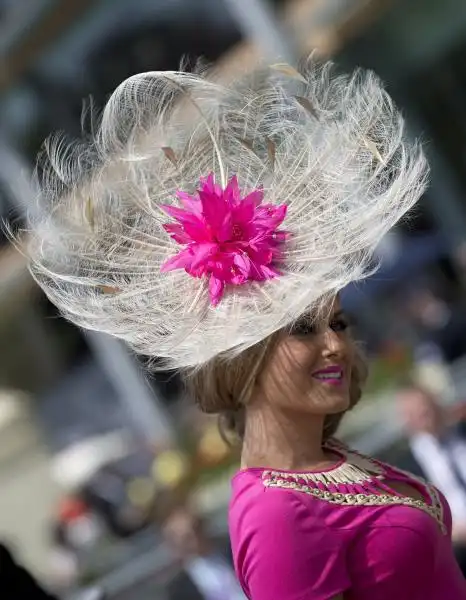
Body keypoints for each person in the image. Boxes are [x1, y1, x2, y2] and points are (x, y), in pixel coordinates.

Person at [25, 55, 466, 599]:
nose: (336, 344)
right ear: (246, 359)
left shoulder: (331, 462)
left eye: (339, 322)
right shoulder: (275, 512)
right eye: (305, 331)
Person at [397, 384, 466, 576]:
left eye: (426, 408)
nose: (425, 415)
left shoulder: (462, 433)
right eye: (415, 413)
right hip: (456, 546)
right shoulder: (405, 469)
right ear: (406, 420)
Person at [163, 508, 245, 600]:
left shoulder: (235, 551)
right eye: (187, 537)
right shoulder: (180, 588)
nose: (196, 538)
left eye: (196, 529)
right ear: (178, 544)